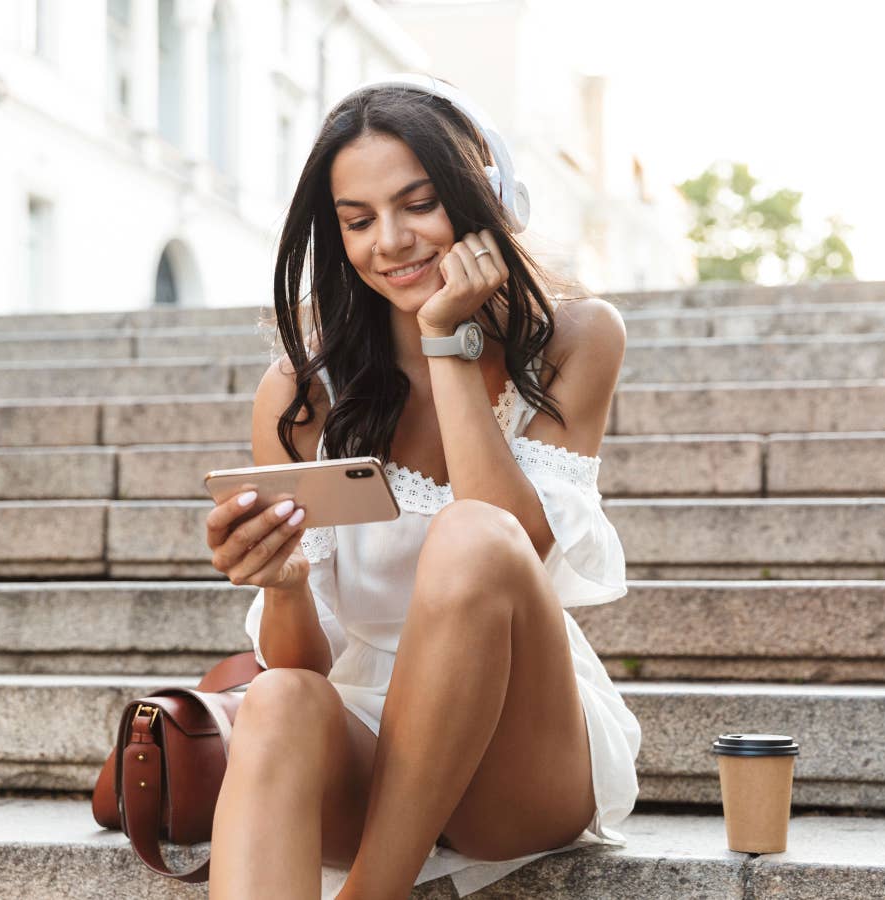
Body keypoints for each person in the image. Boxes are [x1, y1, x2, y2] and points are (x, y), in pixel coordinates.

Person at [203, 74, 641, 899]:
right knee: (277, 701)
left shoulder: (577, 339)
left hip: (521, 755)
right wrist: (284, 582)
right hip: (365, 737)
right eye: (359, 221)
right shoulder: (303, 396)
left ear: (488, 197)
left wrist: (445, 340)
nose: (393, 242)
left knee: (473, 536)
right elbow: (305, 663)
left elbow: (518, 535)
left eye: (419, 204)